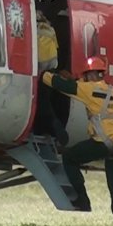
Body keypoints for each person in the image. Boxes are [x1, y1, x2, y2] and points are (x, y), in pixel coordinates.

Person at [42, 56, 113, 226]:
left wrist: (43, 74)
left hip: (102, 140)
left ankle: (83, 199)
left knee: (70, 157)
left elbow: (60, 85)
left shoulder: (88, 89)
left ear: (90, 74)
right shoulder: (109, 90)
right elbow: (83, 87)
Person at [33, 11, 68, 146]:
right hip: (51, 68)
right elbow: (56, 48)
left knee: (41, 102)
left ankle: (48, 127)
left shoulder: (33, 28)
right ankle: (50, 127)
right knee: (46, 99)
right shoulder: (50, 29)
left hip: (38, 69)